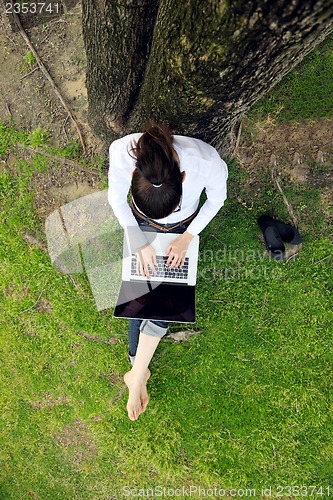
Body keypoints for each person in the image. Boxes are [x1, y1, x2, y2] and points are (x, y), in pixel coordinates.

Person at [108, 123, 228, 421]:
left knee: (170, 288)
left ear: (183, 177)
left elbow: (217, 200)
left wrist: (187, 237)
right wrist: (138, 239)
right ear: (135, 175)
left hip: (182, 228)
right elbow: (116, 200)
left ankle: (137, 370)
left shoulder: (207, 162)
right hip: (142, 224)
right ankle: (136, 372)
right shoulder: (122, 154)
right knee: (144, 286)